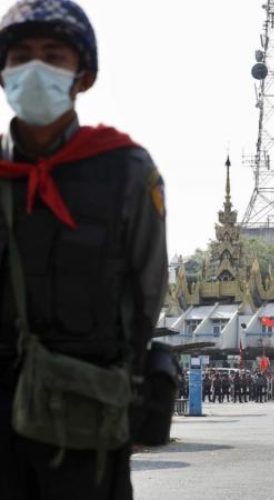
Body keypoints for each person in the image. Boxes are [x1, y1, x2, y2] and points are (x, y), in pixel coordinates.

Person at [0, 1, 167, 499]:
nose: (35, 68)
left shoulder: (127, 173)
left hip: (87, 416)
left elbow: (146, 297)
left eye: (53, 55)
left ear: (83, 76)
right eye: (20, 55)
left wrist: (127, 392)